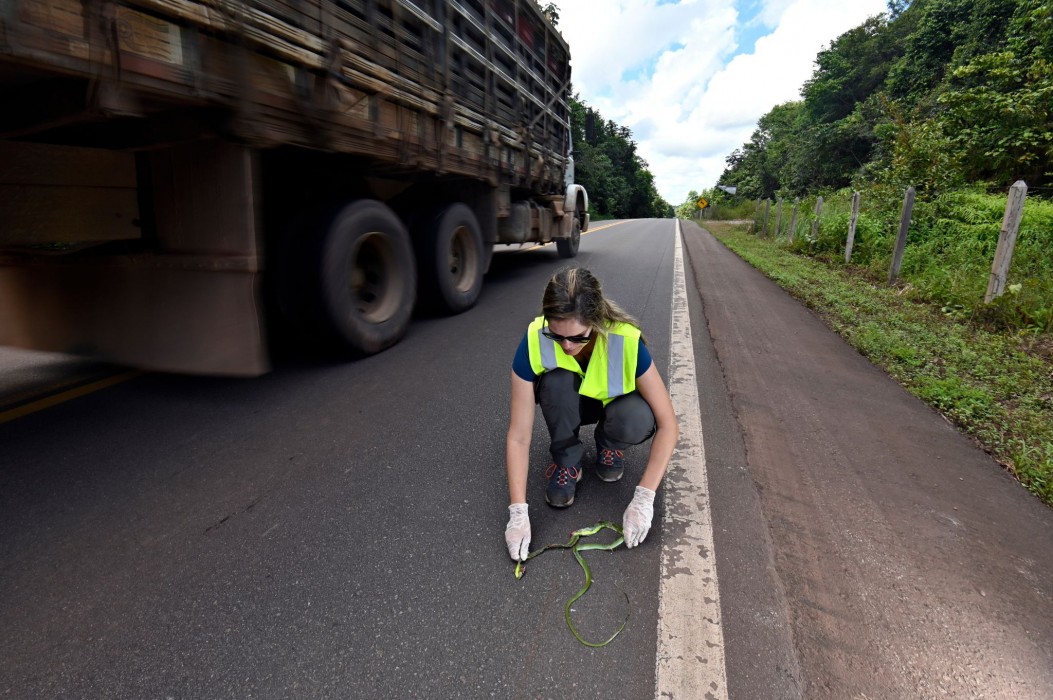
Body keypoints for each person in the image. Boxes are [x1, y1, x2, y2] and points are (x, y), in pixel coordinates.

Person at [503, 266, 679, 561]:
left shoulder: (625, 340)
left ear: (596, 322)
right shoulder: (535, 338)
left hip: (613, 409)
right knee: (557, 381)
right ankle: (568, 460)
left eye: (578, 337)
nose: (567, 346)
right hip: (568, 404)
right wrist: (517, 512)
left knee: (638, 417)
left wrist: (645, 497)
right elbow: (519, 436)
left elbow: (669, 425)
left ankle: (608, 445)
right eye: (558, 337)